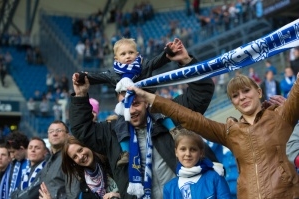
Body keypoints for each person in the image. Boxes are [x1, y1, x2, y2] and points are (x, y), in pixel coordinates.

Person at [69, 42, 217, 198]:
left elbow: (201, 94)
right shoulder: (111, 133)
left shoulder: (169, 113)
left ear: (146, 99)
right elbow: (81, 129)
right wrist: (80, 95)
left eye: (136, 102)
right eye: (125, 103)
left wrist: (186, 61)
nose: (131, 110)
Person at [128, 73, 299, 198]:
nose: (242, 97)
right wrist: (151, 99)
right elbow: (190, 118)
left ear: (259, 92)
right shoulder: (230, 132)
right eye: (235, 95)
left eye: (246, 91)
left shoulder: (281, 116)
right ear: (233, 102)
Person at [77, 38, 182, 167]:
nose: (128, 56)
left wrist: (169, 52)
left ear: (137, 54)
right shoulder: (113, 73)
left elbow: (158, 61)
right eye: (123, 54)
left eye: (131, 52)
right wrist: (83, 77)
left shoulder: (144, 66)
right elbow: (98, 77)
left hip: (147, 101)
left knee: (159, 109)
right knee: (120, 125)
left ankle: (174, 131)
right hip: (126, 106)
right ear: (116, 59)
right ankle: (126, 153)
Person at [11, 120, 80, 199]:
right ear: (48, 136)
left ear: (68, 135)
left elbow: (74, 195)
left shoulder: (69, 158)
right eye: (51, 131)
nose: (54, 134)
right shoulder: (48, 163)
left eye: (59, 131)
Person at [163, 128, 230, 199]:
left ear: (201, 153)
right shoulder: (169, 188)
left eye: (193, 149)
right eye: (183, 149)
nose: (188, 154)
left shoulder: (215, 177)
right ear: (176, 152)